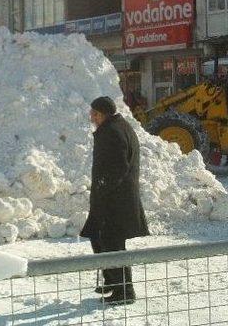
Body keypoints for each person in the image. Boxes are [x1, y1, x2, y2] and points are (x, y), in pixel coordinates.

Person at [80, 96, 149, 305]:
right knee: (98, 237)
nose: (91, 117)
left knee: (113, 243)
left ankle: (124, 292)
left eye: (93, 113)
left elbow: (118, 167)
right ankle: (112, 281)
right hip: (112, 199)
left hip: (114, 201)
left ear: (101, 114)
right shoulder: (117, 127)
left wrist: (102, 186)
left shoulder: (113, 132)